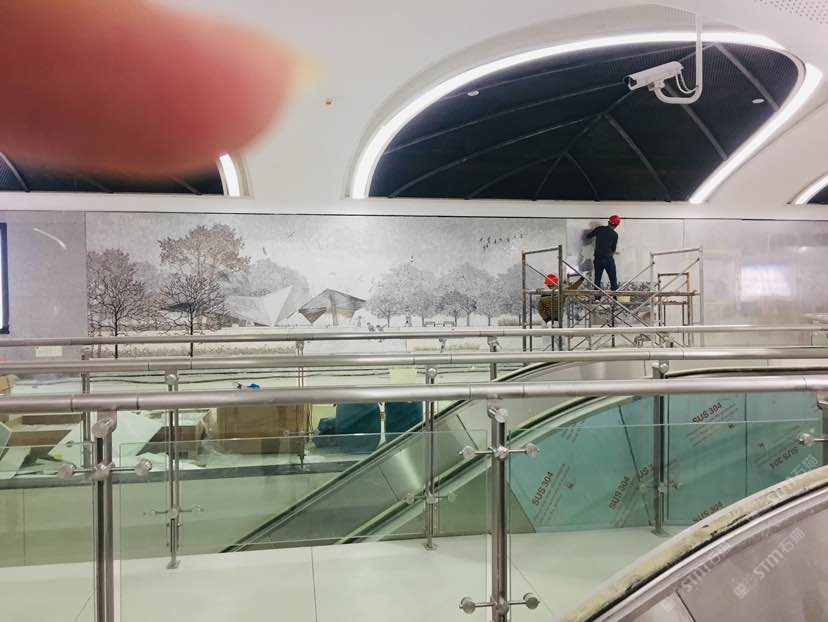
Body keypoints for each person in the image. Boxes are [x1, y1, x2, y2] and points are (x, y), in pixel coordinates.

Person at [585, 215, 621, 291]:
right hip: (608, 259)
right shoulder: (614, 235)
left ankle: (597, 297)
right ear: (616, 225)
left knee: (597, 279)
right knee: (613, 278)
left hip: (598, 258)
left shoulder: (600, 229)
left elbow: (588, 236)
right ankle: (614, 297)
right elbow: (613, 248)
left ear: (609, 222)